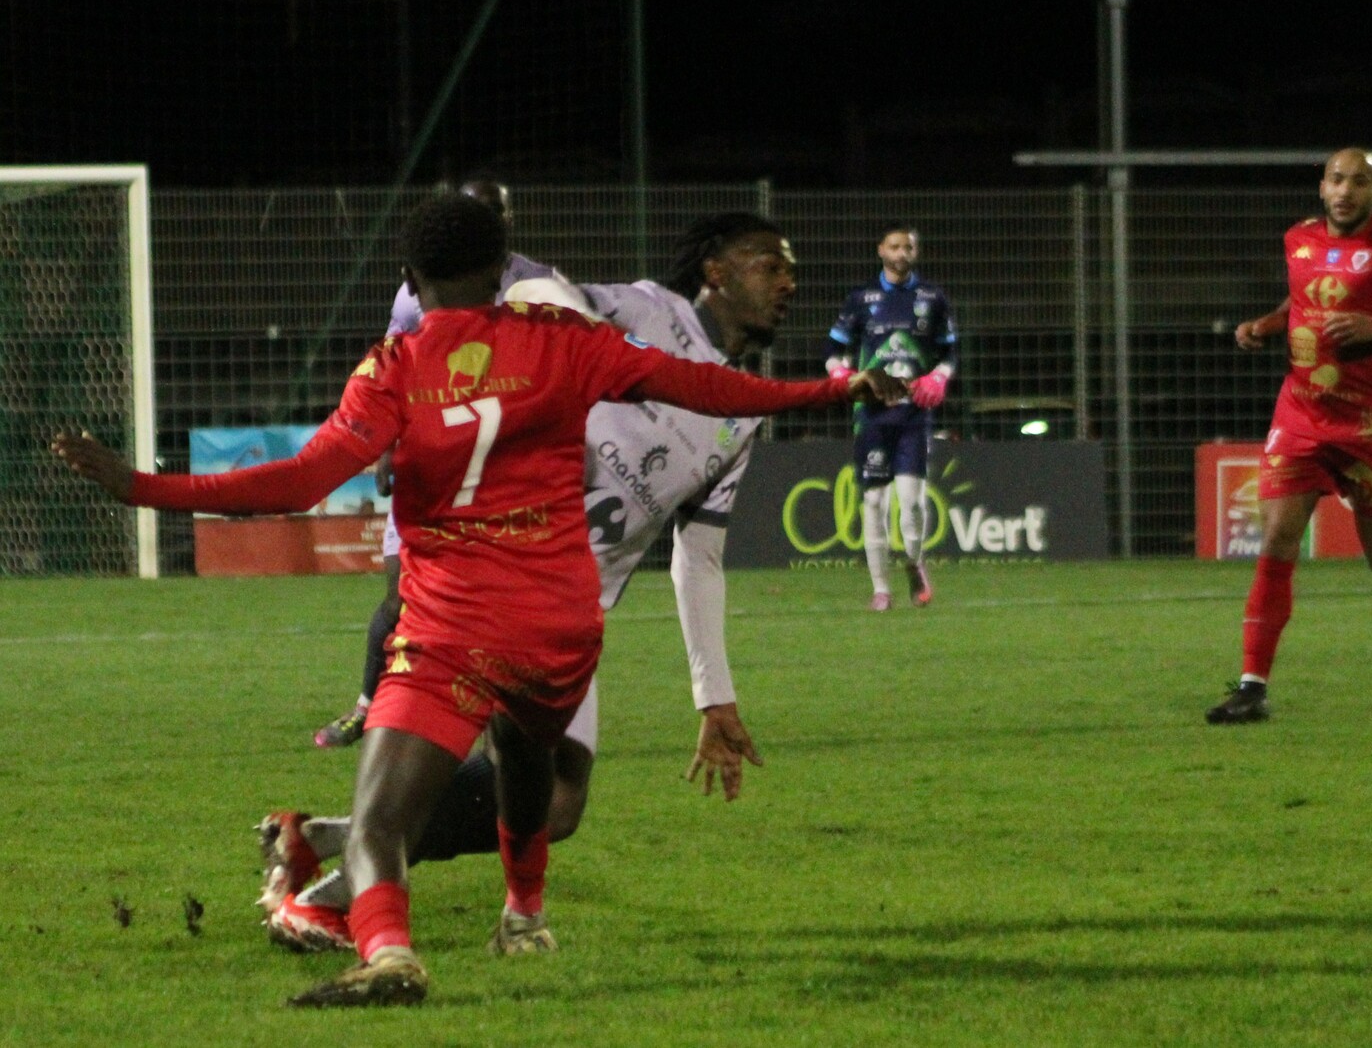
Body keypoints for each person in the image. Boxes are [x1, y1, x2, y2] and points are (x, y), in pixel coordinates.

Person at [52, 194, 901, 1008]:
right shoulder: (570, 339)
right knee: (532, 775)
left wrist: (142, 486)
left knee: (385, 818)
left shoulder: (396, 367)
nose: (784, 280)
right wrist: (833, 391)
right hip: (563, 625)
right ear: (500, 274)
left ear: (409, 277)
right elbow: (703, 386)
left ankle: (386, 949)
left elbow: (301, 480)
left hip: (456, 619)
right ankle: (523, 914)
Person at [256, 212, 808, 952]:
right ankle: (327, 899)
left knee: (555, 803)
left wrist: (715, 695)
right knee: (484, 773)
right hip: (489, 576)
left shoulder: (738, 413)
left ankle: (322, 842)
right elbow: (518, 285)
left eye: (790, 270)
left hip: (564, 611)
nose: (786, 282)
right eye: (769, 265)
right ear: (716, 270)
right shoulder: (646, 311)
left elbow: (698, 556)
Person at [1206, 147, 1372, 725]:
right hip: (1300, 416)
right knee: (1277, 539)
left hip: (1368, 423)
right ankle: (1252, 687)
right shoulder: (1298, 239)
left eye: (1359, 182)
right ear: (1322, 186)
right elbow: (1304, 297)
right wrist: (1268, 323)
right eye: (1337, 179)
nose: (1346, 191)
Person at [314, 176, 558, 749]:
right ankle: (368, 707)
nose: (485, 223)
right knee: (401, 594)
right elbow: (395, 363)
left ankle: (503, 720)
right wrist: (386, 446)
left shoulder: (542, 288)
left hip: (506, 472)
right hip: (431, 462)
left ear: (508, 220)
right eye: (474, 212)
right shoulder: (416, 293)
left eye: (495, 213)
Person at [824, 222, 958, 611]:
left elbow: (950, 352)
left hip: (914, 415)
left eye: (908, 248)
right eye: (895, 246)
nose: (901, 253)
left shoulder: (931, 297)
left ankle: (915, 563)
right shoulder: (861, 299)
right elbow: (832, 350)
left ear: (915, 253)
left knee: (912, 501)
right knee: (874, 502)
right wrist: (842, 374)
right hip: (872, 415)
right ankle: (881, 589)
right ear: (881, 250)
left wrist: (939, 376)